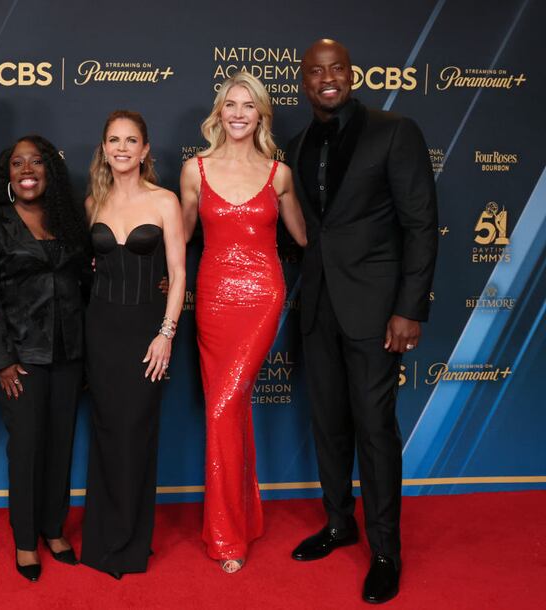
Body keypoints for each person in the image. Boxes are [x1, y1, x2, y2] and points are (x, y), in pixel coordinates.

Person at [287, 39, 438, 604]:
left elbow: (421, 224)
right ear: (303, 82)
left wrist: (408, 309)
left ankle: (384, 550)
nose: (327, 79)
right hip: (320, 305)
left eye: (337, 70)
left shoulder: (393, 131)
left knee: (374, 429)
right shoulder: (297, 144)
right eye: (315, 72)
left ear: (352, 75)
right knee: (327, 422)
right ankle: (337, 523)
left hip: (377, 312)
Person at [179, 72, 307, 573]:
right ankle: (243, 518)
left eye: (247, 106)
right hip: (212, 297)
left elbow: (303, 235)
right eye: (230, 104)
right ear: (219, 112)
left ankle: (228, 535)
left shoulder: (279, 175)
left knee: (225, 407)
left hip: (261, 297)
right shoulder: (195, 170)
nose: (237, 113)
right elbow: (180, 236)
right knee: (226, 410)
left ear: (261, 115)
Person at [0, 135, 90, 582]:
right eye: (17, 163)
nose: (27, 169)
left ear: (49, 170)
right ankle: (24, 540)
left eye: (36, 161)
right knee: (26, 449)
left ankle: (54, 529)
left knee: (61, 444)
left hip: (70, 353)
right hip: (20, 358)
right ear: (7, 175)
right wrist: (0, 361)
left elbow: (87, 283)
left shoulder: (68, 219)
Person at [81, 110, 186, 579]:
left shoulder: (166, 201)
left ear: (145, 150)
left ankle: (130, 542)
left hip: (148, 332)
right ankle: (101, 541)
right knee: (106, 431)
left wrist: (166, 333)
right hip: (100, 330)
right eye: (113, 140)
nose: (121, 148)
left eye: (131, 140)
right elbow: (90, 271)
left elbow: (179, 274)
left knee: (137, 432)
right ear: (104, 149)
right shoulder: (92, 204)